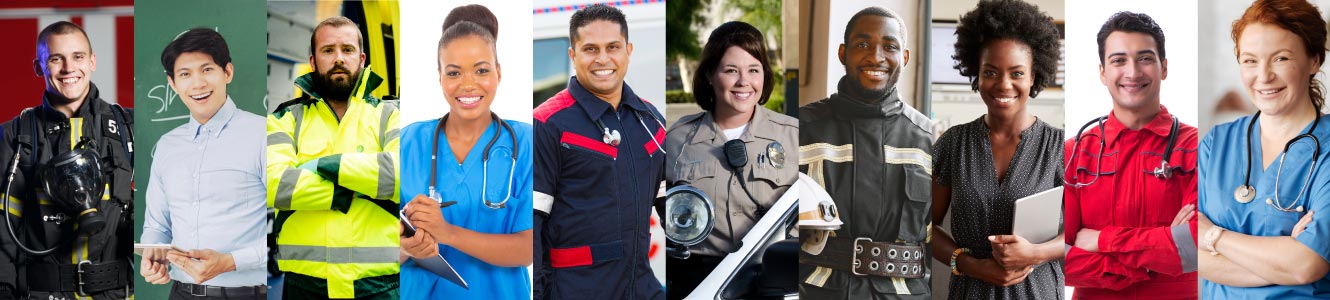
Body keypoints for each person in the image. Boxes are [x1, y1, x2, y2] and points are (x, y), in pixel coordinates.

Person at [928, 1, 1064, 299]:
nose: (1003, 85)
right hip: (970, 291)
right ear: (976, 74)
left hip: (1037, 291)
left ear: (1033, 76)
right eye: (991, 72)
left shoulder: (1060, 148)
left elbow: (1084, 233)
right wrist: (969, 264)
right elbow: (922, 227)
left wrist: (1036, 253)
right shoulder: (954, 143)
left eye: (1016, 73)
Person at [398, 5, 533, 299]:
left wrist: (448, 234)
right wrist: (403, 248)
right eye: (454, 72)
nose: (468, 84)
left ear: (498, 72)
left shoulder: (527, 143)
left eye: (481, 70)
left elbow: (530, 248)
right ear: (440, 77)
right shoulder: (407, 141)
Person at [532, 4, 667, 299]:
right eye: (591, 49)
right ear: (573, 55)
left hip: (642, 288)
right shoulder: (547, 124)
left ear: (628, 50)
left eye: (613, 47)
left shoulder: (651, 121)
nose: (603, 59)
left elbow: (668, 203)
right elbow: (531, 225)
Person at [798, 6, 934, 299]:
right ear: (843, 53)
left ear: (905, 58)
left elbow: (937, 243)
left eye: (890, 47)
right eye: (862, 45)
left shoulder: (928, 140)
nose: (875, 57)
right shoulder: (802, 129)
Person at [1198, 0, 1330, 297]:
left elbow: (1307, 264)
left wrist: (1213, 236)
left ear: (1314, 60)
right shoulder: (1216, 143)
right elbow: (1186, 250)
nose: (1264, 75)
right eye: (1250, 60)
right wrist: (1285, 258)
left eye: (1281, 58)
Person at [1063, 11, 1199, 299]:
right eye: (1119, 60)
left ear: (1163, 67)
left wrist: (1100, 240)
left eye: (1145, 58)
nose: (1133, 72)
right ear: (1102, 72)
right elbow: (1057, 257)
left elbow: (1194, 249)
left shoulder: (1199, 149)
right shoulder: (1074, 154)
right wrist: (1150, 259)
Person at [265, 16, 400, 299]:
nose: (339, 58)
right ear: (313, 61)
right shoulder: (284, 119)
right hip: (305, 286)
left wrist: (323, 166)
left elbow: (403, 176)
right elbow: (273, 184)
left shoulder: (390, 116)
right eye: (328, 50)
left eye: (347, 50)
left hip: (379, 287)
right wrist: (356, 186)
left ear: (361, 59)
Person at [0, 20, 134, 299]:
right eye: (56, 59)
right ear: (38, 66)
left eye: (78, 56)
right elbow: (2, 232)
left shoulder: (129, 128)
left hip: (117, 293)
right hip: (43, 293)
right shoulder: (14, 135)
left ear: (93, 61)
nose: (69, 68)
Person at [664, 21, 798, 299]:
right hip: (698, 283)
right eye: (730, 70)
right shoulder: (677, 140)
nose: (743, 82)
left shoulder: (794, 137)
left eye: (753, 70)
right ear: (710, 75)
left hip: (771, 282)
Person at [138, 28, 268, 299]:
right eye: (185, 74)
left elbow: (284, 229)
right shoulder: (167, 146)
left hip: (247, 294)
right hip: (181, 293)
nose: (197, 84)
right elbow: (157, 225)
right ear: (173, 84)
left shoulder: (262, 135)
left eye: (207, 69)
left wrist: (231, 261)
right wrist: (152, 257)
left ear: (227, 73)